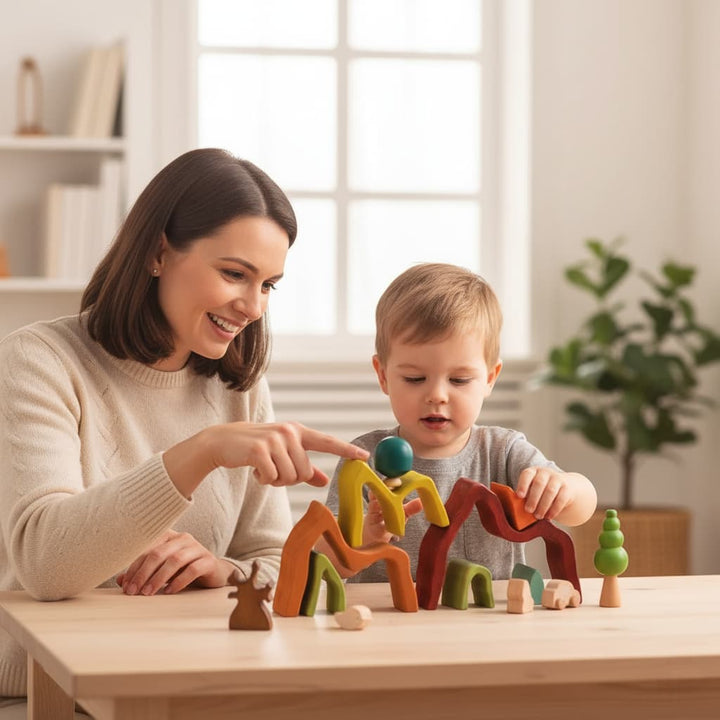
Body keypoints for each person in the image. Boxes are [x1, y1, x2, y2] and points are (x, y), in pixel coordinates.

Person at [0, 148, 368, 710]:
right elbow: (45, 564)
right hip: (51, 686)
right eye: (234, 274)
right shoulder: (39, 361)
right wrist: (201, 452)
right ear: (157, 253)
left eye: (269, 285)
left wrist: (223, 571)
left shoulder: (237, 384)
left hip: (185, 677)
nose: (252, 307)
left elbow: (272, 559)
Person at [324, 263, 597, 582]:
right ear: (383, 375)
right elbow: (326, 557)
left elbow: (582, 508)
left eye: (459, 379)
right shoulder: (365, 458)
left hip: (487, 623)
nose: (437, 395)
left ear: (490, 378)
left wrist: (564, 488)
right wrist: (362, 537)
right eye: (415, 378)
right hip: (389, 622)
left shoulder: (503, 452)